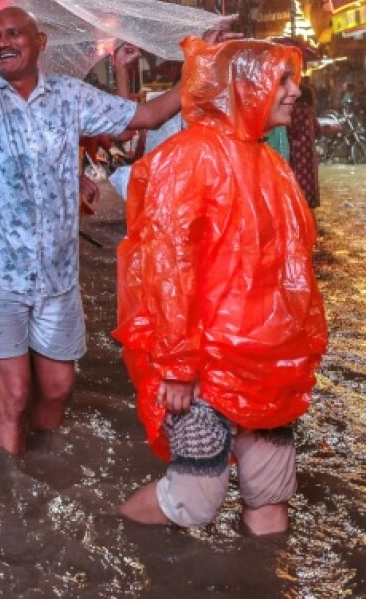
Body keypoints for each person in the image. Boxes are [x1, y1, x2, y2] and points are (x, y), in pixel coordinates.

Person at [0, 0, 187, 455]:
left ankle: (44, 475)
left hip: (56, 276)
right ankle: (12, 494)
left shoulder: (69, 96)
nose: (2, 43)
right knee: (16, 393)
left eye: (13, 35)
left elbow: (151, 115)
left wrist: (199, 68)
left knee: (57, 389)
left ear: (40, 44)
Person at [115, 37, 327, 535]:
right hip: (204, 372)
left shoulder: (271, 165)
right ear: (247, 85)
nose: (296, 91)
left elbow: (292, 276)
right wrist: (178, 364)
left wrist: (294, 355)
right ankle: (111, 533)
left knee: (271, 497)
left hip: (269, 367)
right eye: (283, 80)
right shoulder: (188, 158)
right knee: (193, 499)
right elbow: (168, 267)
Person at [287, 84, 320, 208]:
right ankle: (309, 201)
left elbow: (291, 128)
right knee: (308, 175)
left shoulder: (293, 110)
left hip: (296, 149)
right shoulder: (309, 111)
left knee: (297, 174)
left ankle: (298, 201)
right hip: (308, 150)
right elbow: (317, 129)